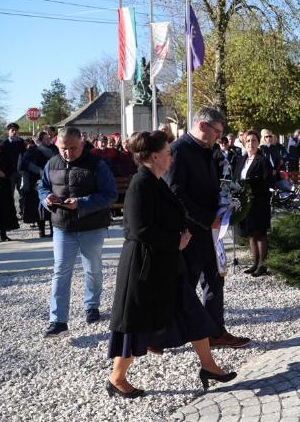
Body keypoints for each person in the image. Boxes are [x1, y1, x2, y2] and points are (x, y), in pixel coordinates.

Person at [106, 131, 236, 398]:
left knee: (192, 312)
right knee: (136, 325)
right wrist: (175, 241)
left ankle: (209, 366)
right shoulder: (140, 184)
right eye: (167, 152)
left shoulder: (155, 180)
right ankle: (117, 378)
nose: (171, 156)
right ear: (154, 156)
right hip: (145, 267)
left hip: (166, 264)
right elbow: (139, 230)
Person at [164, 107, 250, 349]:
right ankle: (162, 335)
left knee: (214, 280)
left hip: (210, 230)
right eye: (217, 131)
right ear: (202, 126)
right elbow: (175, 192)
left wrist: (224, 207)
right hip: (190, 232)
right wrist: (205, 219)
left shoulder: (207, 150)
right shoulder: (179, 151)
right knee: (186, 285)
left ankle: (215, 332)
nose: (219, 138)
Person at [37, 127, 117, 338]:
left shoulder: (97, 164)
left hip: (92, 226)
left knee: (93, 269)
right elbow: (42, 186)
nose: (68, 153)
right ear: (57, 145)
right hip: (63, 226)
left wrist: (81, 204)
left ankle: (92, 305)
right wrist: (46, 199)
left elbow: (110, 194)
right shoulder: (51, 163)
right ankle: (58, 321)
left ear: (82, 143)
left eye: (73, 148)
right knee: (61, 271)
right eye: (64, 148)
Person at [233, 130, 274, 276]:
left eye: (254, 140)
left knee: (260, 233)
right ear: (244, 142)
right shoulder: (241, 160)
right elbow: (236, 178)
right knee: (251, 233)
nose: (251, 143)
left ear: (258, 143)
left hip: (259, 201)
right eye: (248, 140)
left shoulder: (262, 160)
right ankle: (255, 263)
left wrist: (253, 184)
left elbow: (269, 181)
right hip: (246, 202)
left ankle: (263, 265)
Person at [18, 134, 54, 238]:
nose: (49, 140)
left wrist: (41, 147)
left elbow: (53, 156)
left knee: (52, 205)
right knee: (37, 207)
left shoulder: (52, 148)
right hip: (35, 181)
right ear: (40, 140)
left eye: (49, 138)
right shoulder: (31, 150)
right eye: (46, 139)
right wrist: (39, 171)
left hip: (51, 180)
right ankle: (41, 230)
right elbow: (24, 164)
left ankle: (52, 230)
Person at [0, 122, 26, 200]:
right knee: (9, 194)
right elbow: (2, 160)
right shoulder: (4, 144)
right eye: (12, 130)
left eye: (16, 130)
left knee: (22, 194)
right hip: (10, 173)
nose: (15, 132)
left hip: (20, 173)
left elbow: (24, 155)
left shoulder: (21, 142)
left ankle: (23, 211)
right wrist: (6, 172)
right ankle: (9, 212)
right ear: (8, 131)